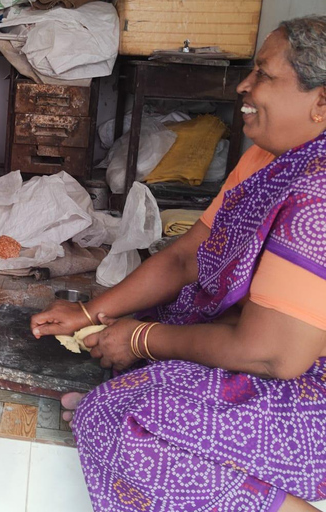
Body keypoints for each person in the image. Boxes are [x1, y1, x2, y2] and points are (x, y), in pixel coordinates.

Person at [31, 16, 326, 512]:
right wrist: (90, 313)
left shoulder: (318, 193)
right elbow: (189, 257)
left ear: (321, 103)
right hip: (261, 353)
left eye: (264, 74)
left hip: (306, 387)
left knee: (118, 424)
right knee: (112, 400)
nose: (244, 86)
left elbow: (275, 355)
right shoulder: (267, 160)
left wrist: (140, 339)